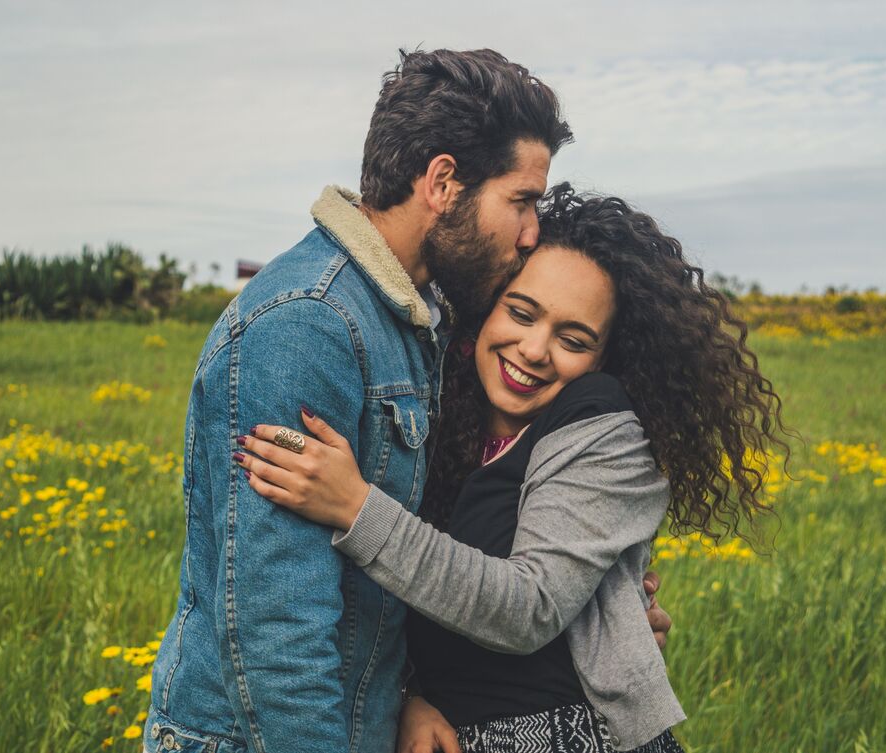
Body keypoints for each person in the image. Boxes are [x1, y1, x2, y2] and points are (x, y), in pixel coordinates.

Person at [144, 50, 670, 753]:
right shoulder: (310, 325)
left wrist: (405, 696)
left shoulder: (418, 317)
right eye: (521, 200)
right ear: (444, 183)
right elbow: (277, 629)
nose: (532, 231)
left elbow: (379, 589)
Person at [236, 185, 788, 752]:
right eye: (521, 313)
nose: (533, 349)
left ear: (604, 358)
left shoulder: (605, 428)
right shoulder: (439, 414)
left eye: (573, 339)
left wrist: (355, 508)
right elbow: (406, 596)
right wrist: (409, 695)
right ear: (484, 308)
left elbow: (528, 608)